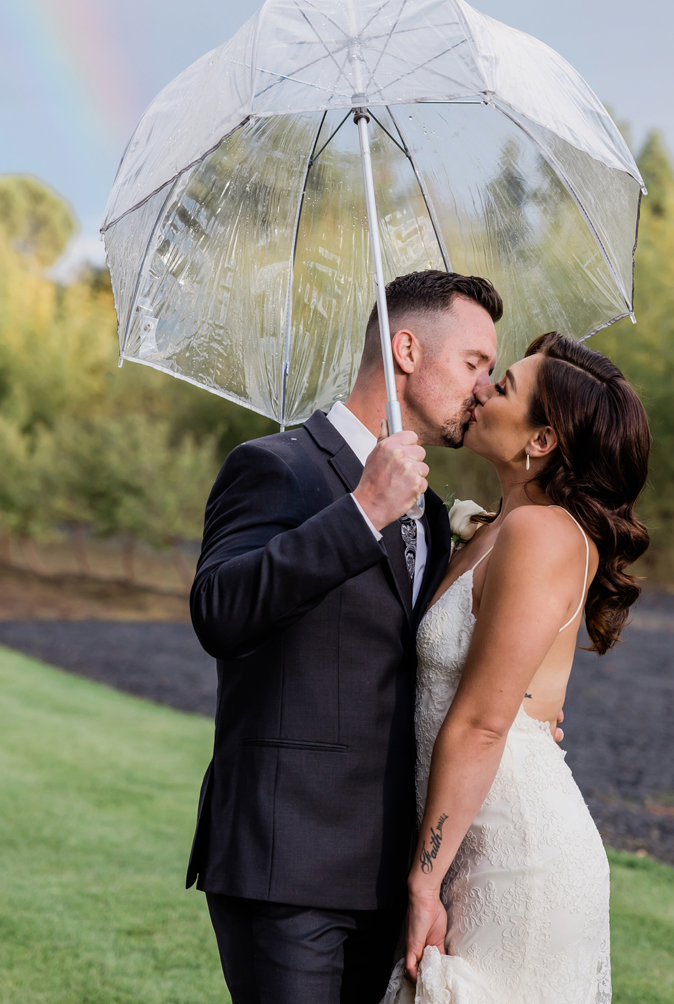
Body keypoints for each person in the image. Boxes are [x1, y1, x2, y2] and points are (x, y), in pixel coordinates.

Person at [188, 269, 504, 1004]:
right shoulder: (275, 466)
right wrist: (360, 512)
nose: (484, 388)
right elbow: (219, 612)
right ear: (406, 349)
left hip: (390, 872)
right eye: (474, 364)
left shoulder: (427, 510)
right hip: (283, 862)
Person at [386, 331, 651, 1003]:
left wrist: (422, 881)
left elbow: (481, 723)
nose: (480, 389)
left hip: (515, 861)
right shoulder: (494, 528)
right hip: (464, 848)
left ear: (541, 442)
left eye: (501, 386)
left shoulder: (542, 533)